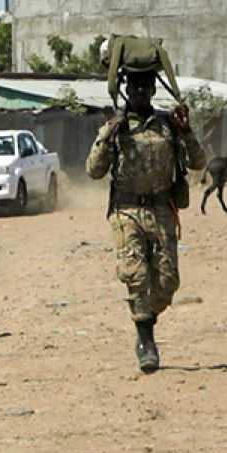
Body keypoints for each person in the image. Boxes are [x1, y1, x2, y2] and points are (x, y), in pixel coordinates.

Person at [86, 72, 206, 373]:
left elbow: (198, 162)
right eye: (134, 86)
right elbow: (94, 171)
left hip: (162, 209)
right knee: (136, 276)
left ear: (153, 89)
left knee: (167, 282)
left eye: (145, 86)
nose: (139, 91)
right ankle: (146, 342)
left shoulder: (167, 125)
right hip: (126, 211)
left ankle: (145, 319)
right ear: (126, 90)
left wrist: (187, 130)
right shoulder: (117, 126)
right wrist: (110, 134)